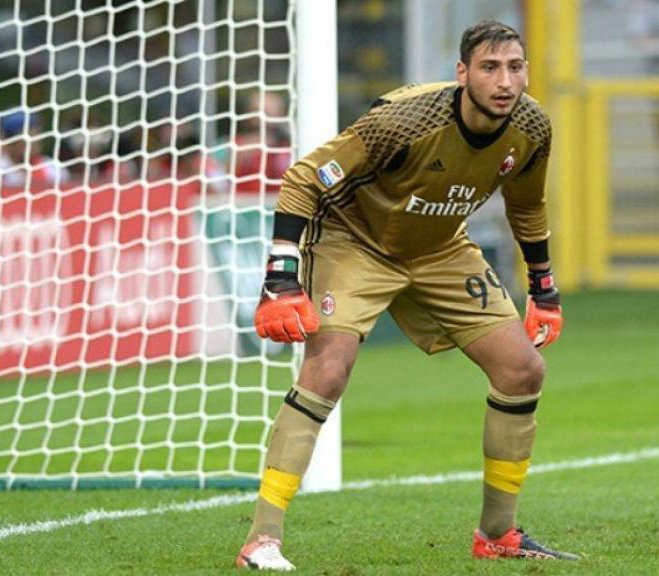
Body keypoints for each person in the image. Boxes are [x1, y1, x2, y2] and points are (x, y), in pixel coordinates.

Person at [235, 20, 577, 570]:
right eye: (489, 68)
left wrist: (544, 287)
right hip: (354, 241)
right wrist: (281, 275)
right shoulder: (406, 119)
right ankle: (262, 538)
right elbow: (304, 178)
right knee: (328, 372)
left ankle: (497, 534)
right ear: (462, 73)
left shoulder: (532, 127)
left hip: (439, 247)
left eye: (515, 67)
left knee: (522, 370)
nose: (504, 82)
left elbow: (527, 206)